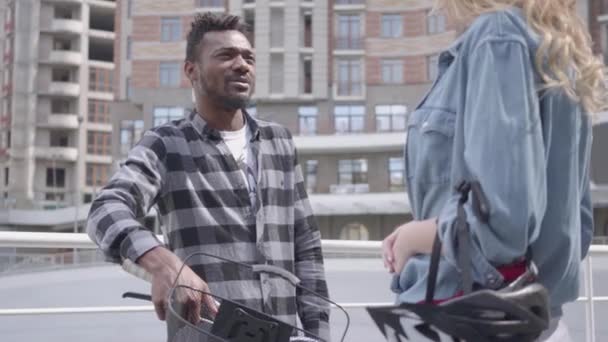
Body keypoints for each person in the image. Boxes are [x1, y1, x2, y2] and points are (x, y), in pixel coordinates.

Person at [87, 12, 329, 341]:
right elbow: (105, 209)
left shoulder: (279, 142)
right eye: (226, 55)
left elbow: (307, 248)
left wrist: (319, 335)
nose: (242, 65)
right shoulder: (166, 144)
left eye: (248, 57)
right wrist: (163, 263)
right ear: (192, 70)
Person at [381, 0, 605, 341]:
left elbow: (502, 223)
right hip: (533, 320)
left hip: (466, 318)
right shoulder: (553, 46)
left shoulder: (497, 35)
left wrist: (416, 237)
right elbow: (577, 225)